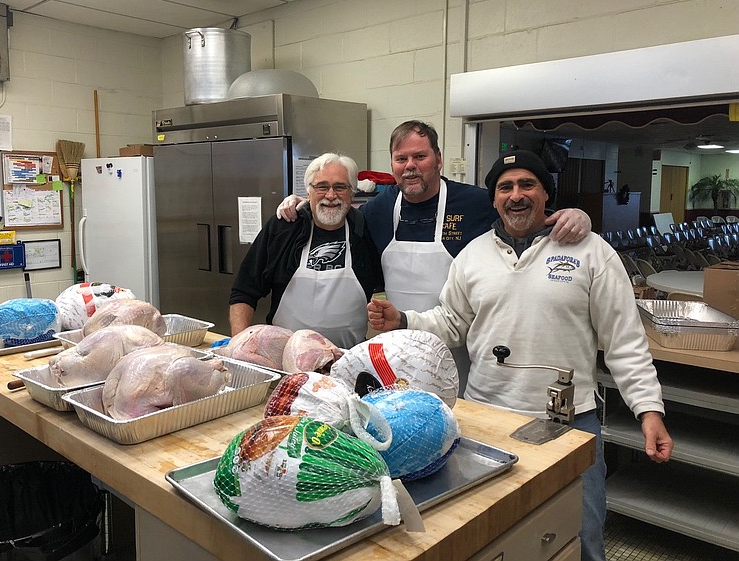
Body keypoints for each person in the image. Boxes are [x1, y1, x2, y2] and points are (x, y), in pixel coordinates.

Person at [367, 149, 673, 561]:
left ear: (546, 194)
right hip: (487, 419)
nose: (516, 195)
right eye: (505, 187)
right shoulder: (473, 255)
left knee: (582, 536)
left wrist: (648, 411)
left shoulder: (591, 251)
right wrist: (403, 319)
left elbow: (624, 341)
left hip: (569, 423)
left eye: (527, 184)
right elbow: (452, 322)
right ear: (493, 199)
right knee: (498, 534)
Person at [278, 121, 592, 383]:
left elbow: (526, 213)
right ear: (392, 164)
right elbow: (335, 209)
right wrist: (301, 205)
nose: (410, 166)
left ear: (438, 159)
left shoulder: (475, 203)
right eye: (401, 159)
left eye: (420, 156)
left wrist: (575, 216)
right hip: (397, 347)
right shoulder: (378, 209)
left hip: (461, 350)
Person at [229, 153, 383, 348]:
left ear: (352, 193)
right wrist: (238, 346)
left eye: (340, 187)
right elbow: (244, 291)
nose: (330, 195)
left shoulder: (364, 230)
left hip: (347, 361)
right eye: (322, 186)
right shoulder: (284, 228)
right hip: (286, 361)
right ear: (308, 192)